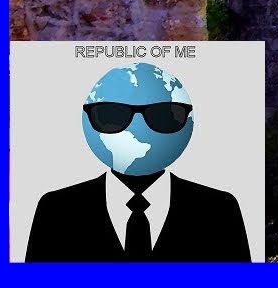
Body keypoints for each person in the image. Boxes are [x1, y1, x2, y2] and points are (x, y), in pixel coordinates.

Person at [25, 63, 251, 262]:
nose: (138, 129)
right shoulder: (55, 211)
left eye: (164, 116)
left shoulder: (221, 210)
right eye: (111, 116)